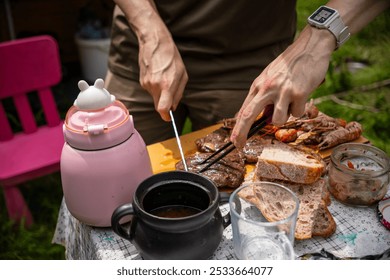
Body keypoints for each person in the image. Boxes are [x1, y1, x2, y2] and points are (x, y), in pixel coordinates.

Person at [105, 0, 389, 146]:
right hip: (141, 53)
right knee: (114, 188)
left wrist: (315, 43)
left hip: (254, 65)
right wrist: (148, 29)